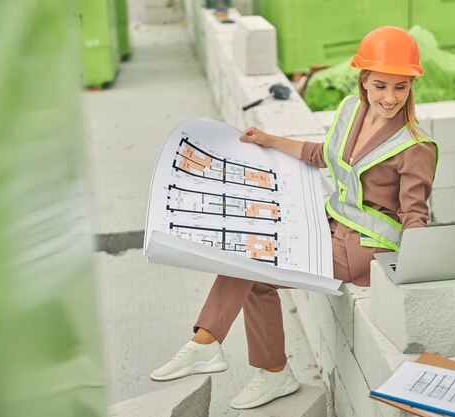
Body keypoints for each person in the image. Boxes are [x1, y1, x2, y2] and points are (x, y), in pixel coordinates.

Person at [149, 26, 438, 410]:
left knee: (254, 264)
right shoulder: (352, 110)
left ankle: (209, 342)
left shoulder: (415, 147)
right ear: (364, 80)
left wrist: (416, 273)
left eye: (401, 87)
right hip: (329, 225)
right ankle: (271, 372)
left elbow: (415, 216)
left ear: (411, 86)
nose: (390, 97)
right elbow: (324, 154)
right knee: (254, 267)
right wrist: (271, 140)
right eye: (381, 85)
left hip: (363, 249)